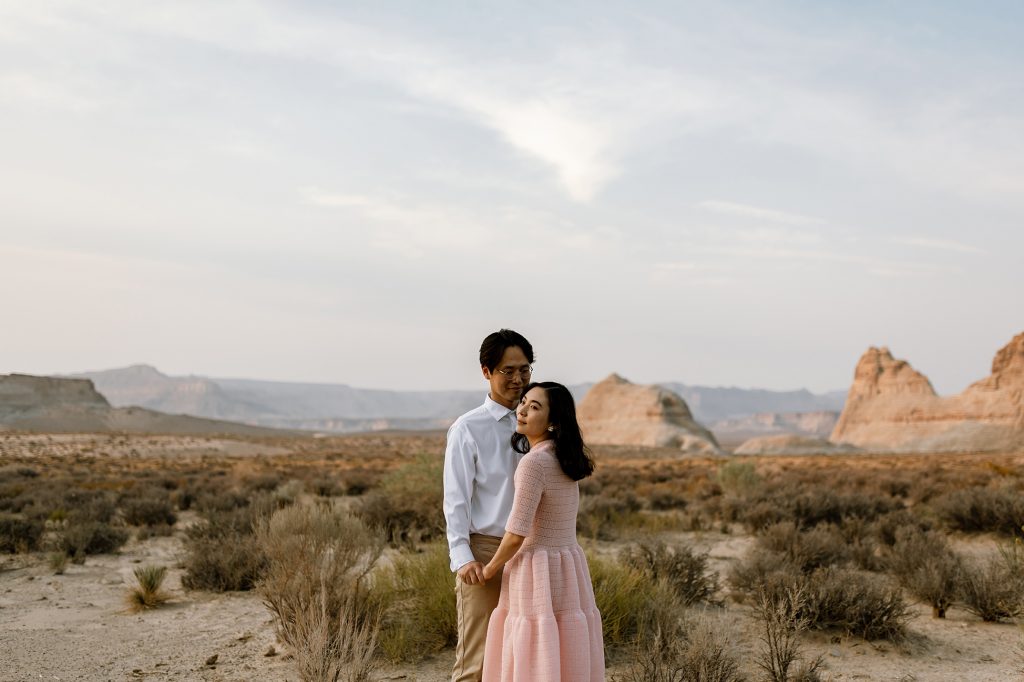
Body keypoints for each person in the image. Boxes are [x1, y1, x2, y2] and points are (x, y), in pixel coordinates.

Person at [480, 381, 604, 682]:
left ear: (552, 422)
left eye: (534, 407)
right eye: (523, 402)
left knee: (533, 650)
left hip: (536, 568)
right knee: (562, 646)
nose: (521, 410)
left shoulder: (533, 463)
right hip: (568, 565)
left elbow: (517, 533)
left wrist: (490, 569)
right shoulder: (562, 459)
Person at [444, 329, 535, 682]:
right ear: (486, 371)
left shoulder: (540, 424)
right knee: (476, 660)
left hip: (533, 552)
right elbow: (455, 499)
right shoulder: (468, 428)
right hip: (485, 552)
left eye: (524, 370)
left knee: (525, 654)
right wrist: (462, 555)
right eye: (507, 370)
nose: (518, 379)